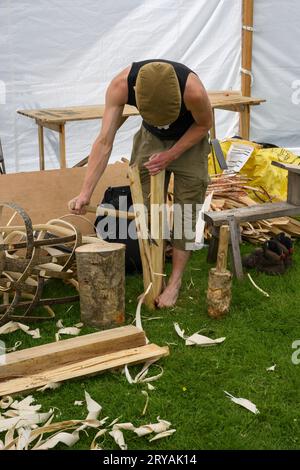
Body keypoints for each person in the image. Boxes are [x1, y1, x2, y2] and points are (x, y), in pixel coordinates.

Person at [68, 59, 213, 308]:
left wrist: (171, 155)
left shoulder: (194, 91)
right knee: (145, 210)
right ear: (136, 95)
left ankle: (175, 282)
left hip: (190, 136)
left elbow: (204, 124)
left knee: (185, 211)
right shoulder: (120, 86)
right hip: (151, 137)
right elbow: (104, 141)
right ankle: (154, 279)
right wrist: (85, 193)